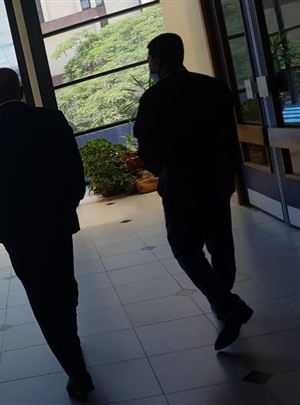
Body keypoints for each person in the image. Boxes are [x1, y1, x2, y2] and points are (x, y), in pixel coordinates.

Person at [0, 67, 93, 399]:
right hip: (56, 221)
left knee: (41, 296)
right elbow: (74, 170)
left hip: (17, 232)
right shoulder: (50, 120)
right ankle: (72, 339)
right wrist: (69, 205)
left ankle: (75, 369)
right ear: (21, 90)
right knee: (65, 285)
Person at [134, 33, 253, 350]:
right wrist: (232, 172)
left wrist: (164, 172)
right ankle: (225, 302)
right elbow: (230, 137)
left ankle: (225, 304)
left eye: (150, 60)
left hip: (180, 182)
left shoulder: (153, 99)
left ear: (157, 60)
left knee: (185, 247)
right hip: (216, 176)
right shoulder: (214, 88)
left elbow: (146, 147)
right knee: (220, 243)